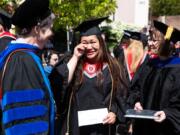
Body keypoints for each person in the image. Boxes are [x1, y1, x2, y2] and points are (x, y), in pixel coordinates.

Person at [49, 17, 128, 135]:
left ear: (100, 42)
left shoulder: (113, 67)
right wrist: (75, 57)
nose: (89, 47)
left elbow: (122, 95)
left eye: (93, 42)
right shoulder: (72, 63)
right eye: (84, 43)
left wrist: (114, 113)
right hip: (75, 127)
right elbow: (58, 84)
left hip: (102, 128)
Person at [0, 0, 56, 134]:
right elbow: (26, 122)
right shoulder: (22, 61)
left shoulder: (24, 56)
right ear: (37, 30)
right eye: (50, 27)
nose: (52, 33)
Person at [127, 20, 180, 135]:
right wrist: (136, 101)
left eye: (154, 40)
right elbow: (135, 88)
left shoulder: (177, 68)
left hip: (166, 128)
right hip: (144, 127)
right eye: (150, 39)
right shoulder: (148, 64)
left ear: (167, 42)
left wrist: (168, 113)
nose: (149, 43)